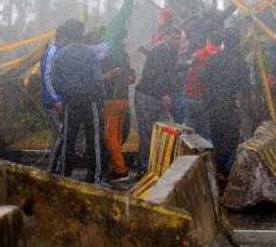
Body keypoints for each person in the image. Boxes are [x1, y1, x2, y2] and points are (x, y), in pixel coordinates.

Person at [51, 19, 106, 184]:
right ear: (82, 34)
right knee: (94, 139)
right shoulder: (90, 53)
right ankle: (94, 176)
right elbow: (97, 78)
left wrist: (64, 94)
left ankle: (64, 174)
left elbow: (55, 80)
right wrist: (100, 97)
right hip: (90, 101)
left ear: (68, 34)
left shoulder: (61, 54)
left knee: (69, 138)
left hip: (70, 101)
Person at [200, 27, 251, 174]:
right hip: (230, 106)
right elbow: (245, 89)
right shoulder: (240, 62)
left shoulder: (213, 59)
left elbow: (203, 80)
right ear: (238, 41)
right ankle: (225, 170)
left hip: (213, 106)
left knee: (217, 138)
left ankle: (219, 170)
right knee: (231, 139)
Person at [135, 26, 182, 175]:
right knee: (147, 134)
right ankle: (144, 170)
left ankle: (158, 168)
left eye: (179, 38)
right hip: (147, 95)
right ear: (166, 36)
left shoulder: (171, 52)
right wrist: (164, 94)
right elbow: (154, 75)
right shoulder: (159, 51)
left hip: (159, 96)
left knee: (163, 132)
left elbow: (170, 72)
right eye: (175, 38)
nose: (178, 42)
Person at [100, 33, 135, 182]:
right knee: (117, 136)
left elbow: (102, 78)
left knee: (109, 138)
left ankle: (121, 171)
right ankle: (116, 168)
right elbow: (131, 77)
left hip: (112, 101)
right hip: (124, 100)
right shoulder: (125, 56)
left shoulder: (107, 57)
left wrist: (107, 75)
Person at [40, 23, 67, 173]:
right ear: (61, 36)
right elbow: (47, 76)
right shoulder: (52, 52)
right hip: (53, 103)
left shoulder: (61, 51)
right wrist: (55, 99)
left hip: (60, 100)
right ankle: (52, 169)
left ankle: (58, 168)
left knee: (60, 135)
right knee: (61, 134)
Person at [182, 35, 220, 140]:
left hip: (187, 95)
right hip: (200, 97)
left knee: (189, 132)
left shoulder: (193, 58)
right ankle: (207, 154)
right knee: (205, 132)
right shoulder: (210, 54)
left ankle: (187, 152)